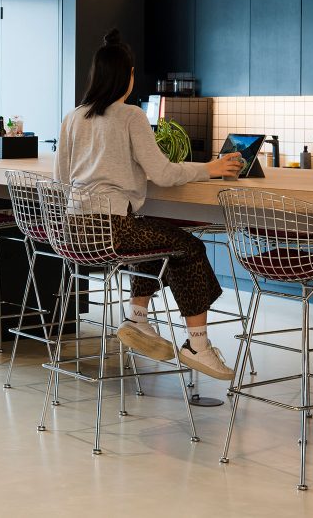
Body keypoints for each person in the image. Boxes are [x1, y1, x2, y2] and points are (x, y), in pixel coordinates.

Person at [54, 29, 243, 380]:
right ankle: (198, 346)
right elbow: (163, 173)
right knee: (188, 246)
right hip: (113, 229)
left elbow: (61, 177)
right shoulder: (131, 117)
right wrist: (211, 168)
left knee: (155, 241)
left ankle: (138, 320)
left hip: (72, 231)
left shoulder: (73, 118)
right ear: (125, 77)